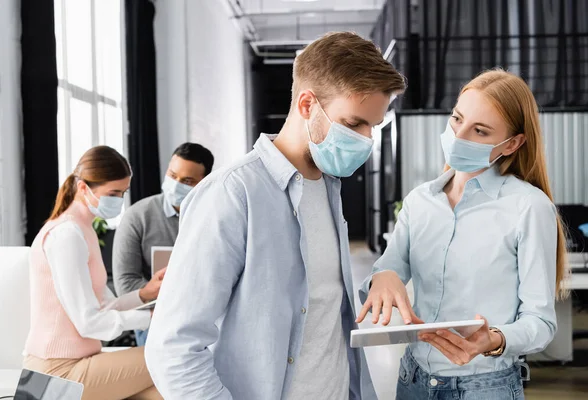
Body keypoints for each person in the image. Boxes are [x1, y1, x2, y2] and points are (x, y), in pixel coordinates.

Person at [145, 32, 406, 400]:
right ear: (306, 105)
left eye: (372, 127)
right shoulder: (232, 194)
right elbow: (172, 348)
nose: (365, 140)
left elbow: (323, 307)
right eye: (353, 124)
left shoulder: (329, 186)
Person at [357, 69, 567, 400]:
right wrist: (381, 276)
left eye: (480, 131)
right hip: (413, 379)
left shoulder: (528, 207)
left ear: (511, 144)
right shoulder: (419, 200)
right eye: (457, 119)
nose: (459, 135)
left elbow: (541, 323)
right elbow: (389, 269)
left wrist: (494, 338)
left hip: (484, 387)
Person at [23, 146, 163, 400]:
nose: (119, 201)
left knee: (164, 392)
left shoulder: (83, 229)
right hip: (55, 372)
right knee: (172, 354)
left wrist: (144, 294)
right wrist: (151, 318)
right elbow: (89, 323)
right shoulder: (67, 235)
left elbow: (104, 306)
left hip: (79, 362)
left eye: (123, 193)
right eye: (113, 193)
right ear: (83, 188)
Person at [113, 142, 214, 346]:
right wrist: (174, 298)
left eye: (187, 180)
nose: (176, 184)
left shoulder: (217, 216)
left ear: (204, 183)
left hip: (207, 316)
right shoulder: (137, 217)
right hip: (156, 319)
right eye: (172, 175)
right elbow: (125, 285)